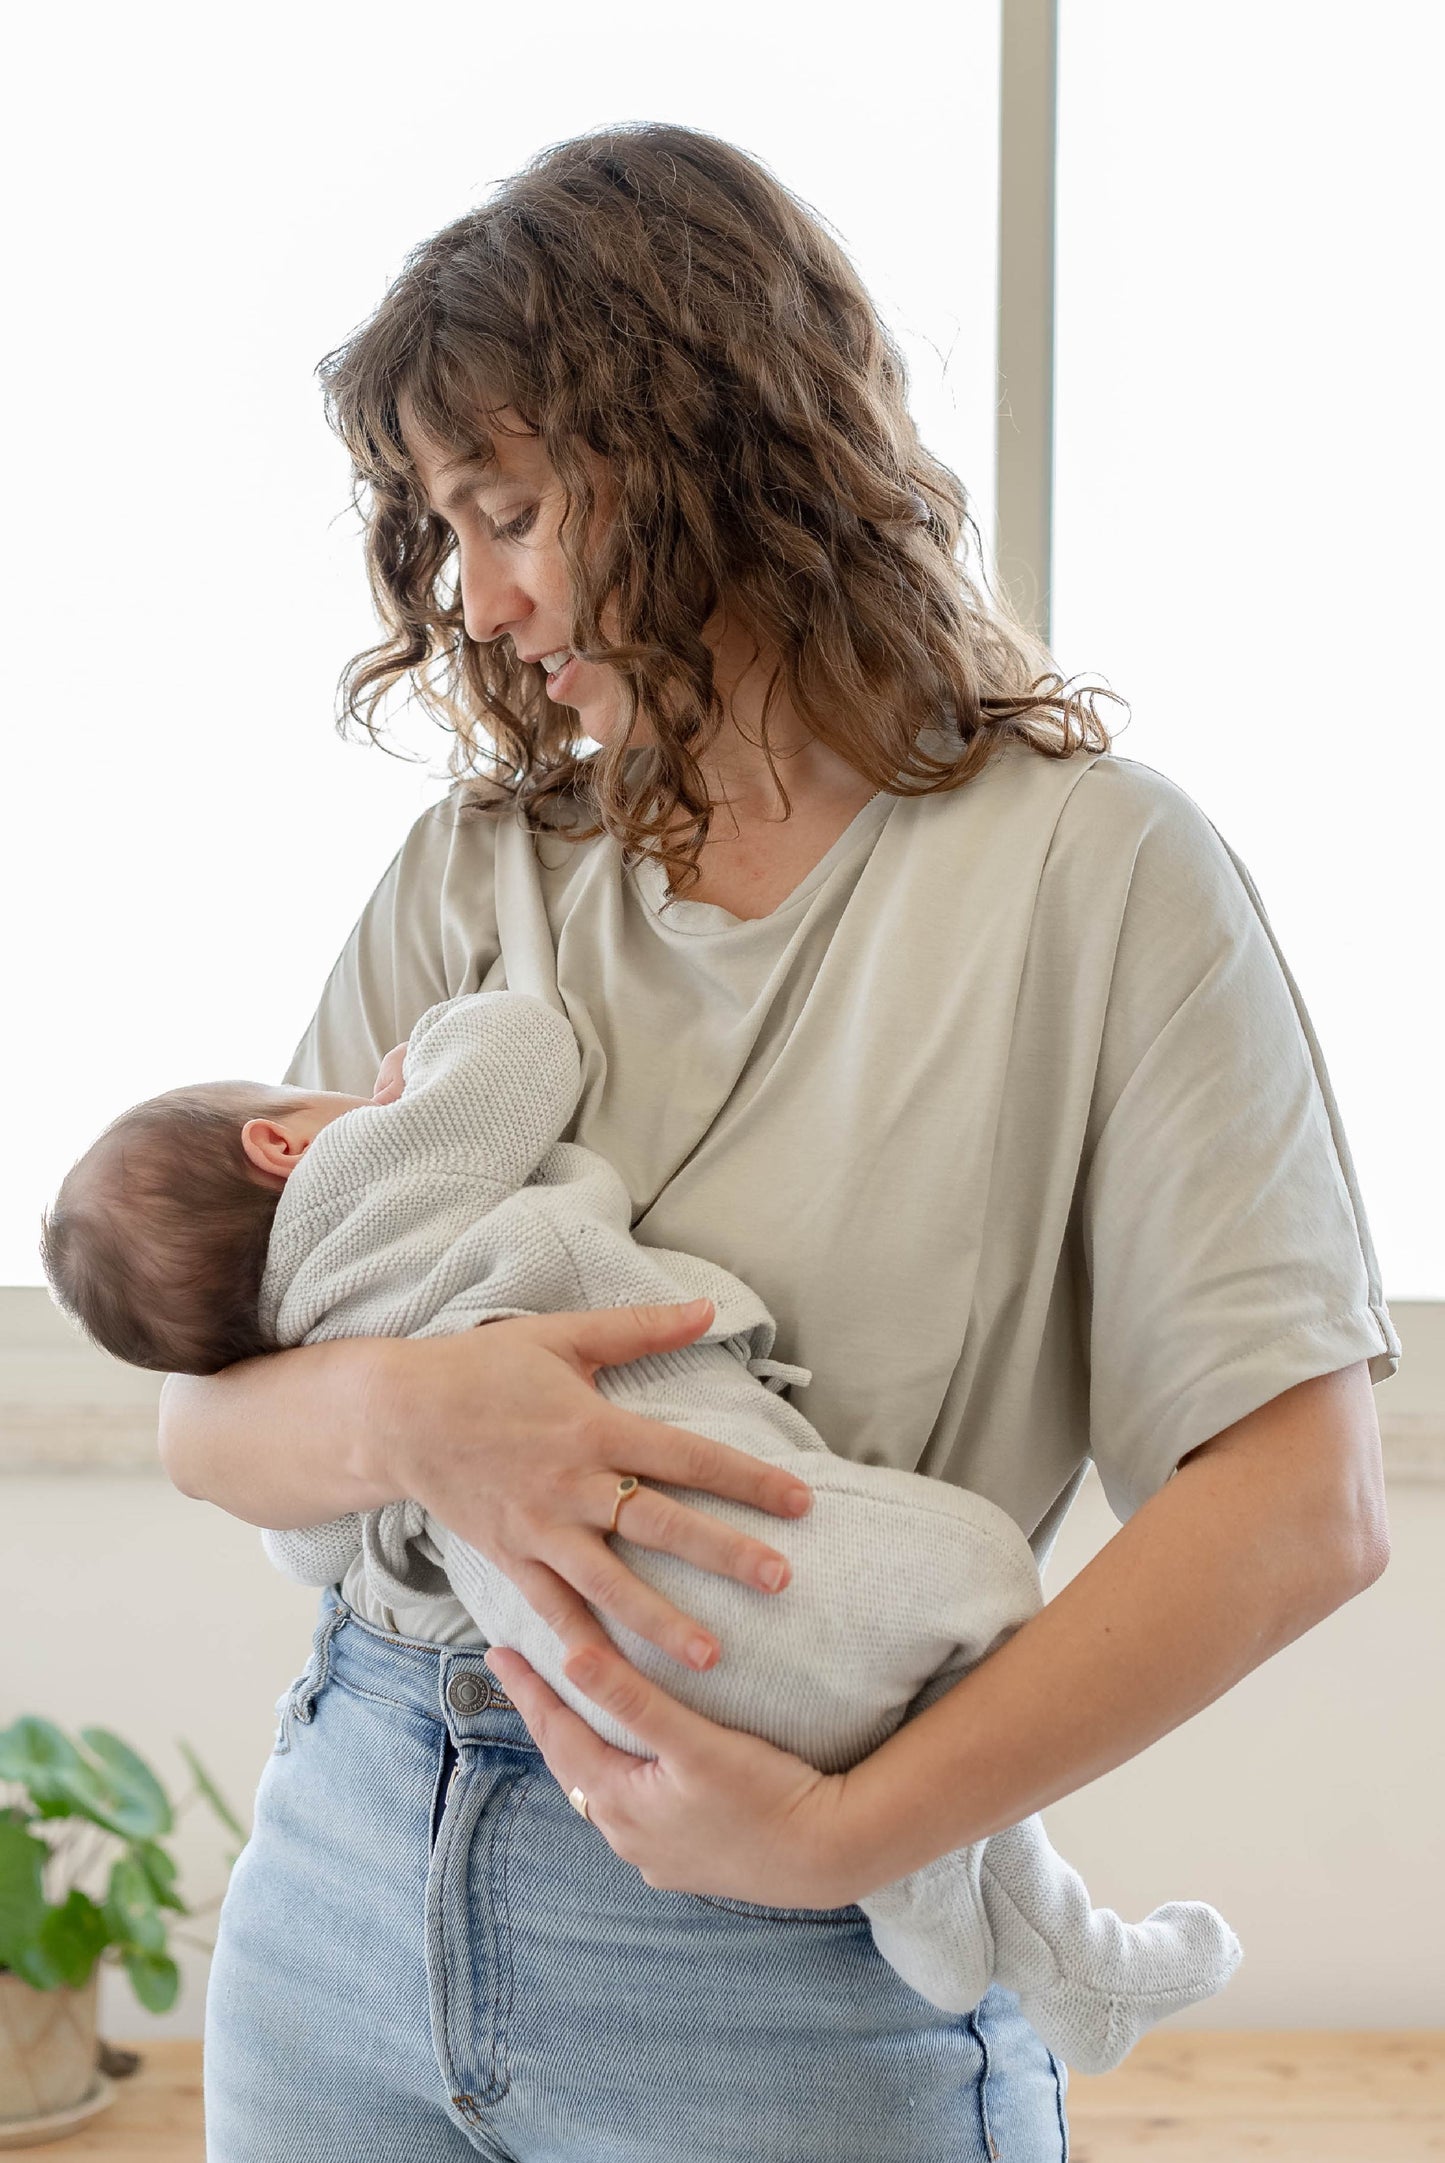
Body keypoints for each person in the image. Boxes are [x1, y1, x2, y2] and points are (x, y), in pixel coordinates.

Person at [156, 122, 1399, 2162]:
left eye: (510, 507)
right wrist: (421, 1413)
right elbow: (212, 1426)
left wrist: (838, 1828)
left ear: (702, 445)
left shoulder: (1094, 877)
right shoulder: (474, 872)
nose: (472, 594)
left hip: (789, 1961)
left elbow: (1297, 1505)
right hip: (344, 1890)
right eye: (433, 527)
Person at [40, 987, 1243, 2070]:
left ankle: (1038, 1949)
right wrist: (412, 1073)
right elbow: (521, 1048)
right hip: (734, 1566)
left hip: (599, 1672)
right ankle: (942, 1887)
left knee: (907, 1695)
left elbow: (302, 1544)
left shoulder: (296, 1345)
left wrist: (383, 1430)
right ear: (279, 1143)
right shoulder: (371, 1177)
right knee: (981, 1583)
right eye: (320, 1098)